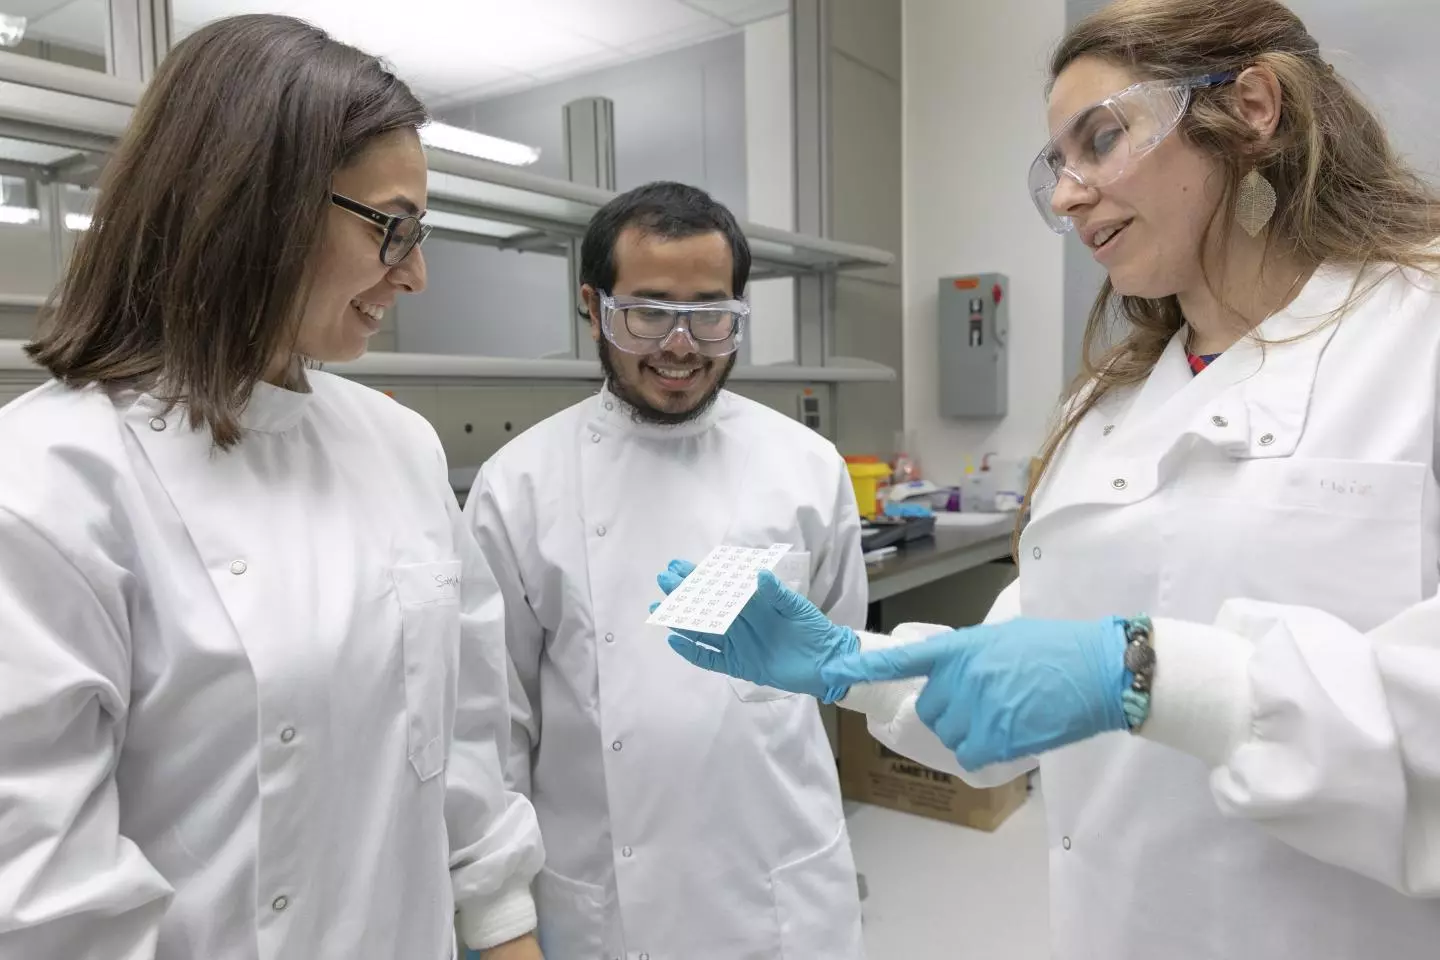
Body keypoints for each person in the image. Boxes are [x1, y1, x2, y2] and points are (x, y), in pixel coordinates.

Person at [657, 0, 1440, 956]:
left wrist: (1153, 677)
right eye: (1057, 165)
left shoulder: (1417, 333)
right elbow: (1019, 679)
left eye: (1101, 139)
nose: (1067, 196)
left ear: (1251, 106)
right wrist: (849, 669)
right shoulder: (1110, 411)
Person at [0, 15, 544, 960]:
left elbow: (463, 754)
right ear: (258, 203)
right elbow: (47, 900)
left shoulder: (399, 447)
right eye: (394, 228)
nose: (414, 274)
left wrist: (505, 934)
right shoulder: (50, 481)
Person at [465, 181, 869, 959]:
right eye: (646, 312)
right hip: (607, 904)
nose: (681, 346)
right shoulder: (519, 485)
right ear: (592, 306)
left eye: (711, 314)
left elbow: (841, 671)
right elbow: (492, 730)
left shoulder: (807, 470)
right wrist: (498, 918)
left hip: (779, 894)